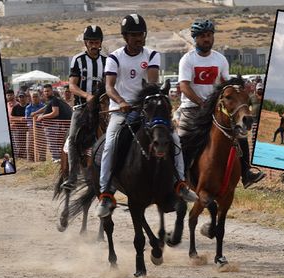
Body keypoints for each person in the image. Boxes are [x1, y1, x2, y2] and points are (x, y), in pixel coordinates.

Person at [95, 14, 198, 217]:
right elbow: (109, 86)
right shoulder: (114, 57)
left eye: (141, 34)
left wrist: (144, 103)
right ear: (125, 37)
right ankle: (105, 193)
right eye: (133, 35)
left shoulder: (152, 55)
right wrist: (122, 102)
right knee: (110, 143)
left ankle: (180, 184)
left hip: (147, 110)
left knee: (174, 139)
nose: (138, 38)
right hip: (121, 111)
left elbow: (151, 83)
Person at [177, 19, 264, 188]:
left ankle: (246, 174)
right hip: (192, 109)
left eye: (209, 35)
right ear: (195, 38)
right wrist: (201, 102)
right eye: (203, 36)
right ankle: (179, 180)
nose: (207, 39)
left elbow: (226, 85)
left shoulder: (221, 59)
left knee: (240, 135)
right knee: (181, 141)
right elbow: (184, 86)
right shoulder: (187, 60)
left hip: (216, 109)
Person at [61, 24, 107, 190]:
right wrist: (87, 96)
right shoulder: (78, 60)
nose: (94, 45)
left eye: (96, 42)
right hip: (81, 108)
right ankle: (72, 177)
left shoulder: (107, 61)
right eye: (90, 42)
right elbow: (72, 86)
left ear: (100, 43)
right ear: (86, 43)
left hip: (103, 110)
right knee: (73, 139)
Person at [33, 84, 72, 162]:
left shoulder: (54, 100)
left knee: (53, 142)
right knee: (55, 142)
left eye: (48, 91)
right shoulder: (51, 100)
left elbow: (55, 113)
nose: (46, 93)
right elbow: (46, 108)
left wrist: (42, 117)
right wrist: (36, 112)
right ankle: (58, 157)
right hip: (59, 124)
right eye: (45, 91)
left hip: (56, 125)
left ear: (52, 91)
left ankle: (57, 158)